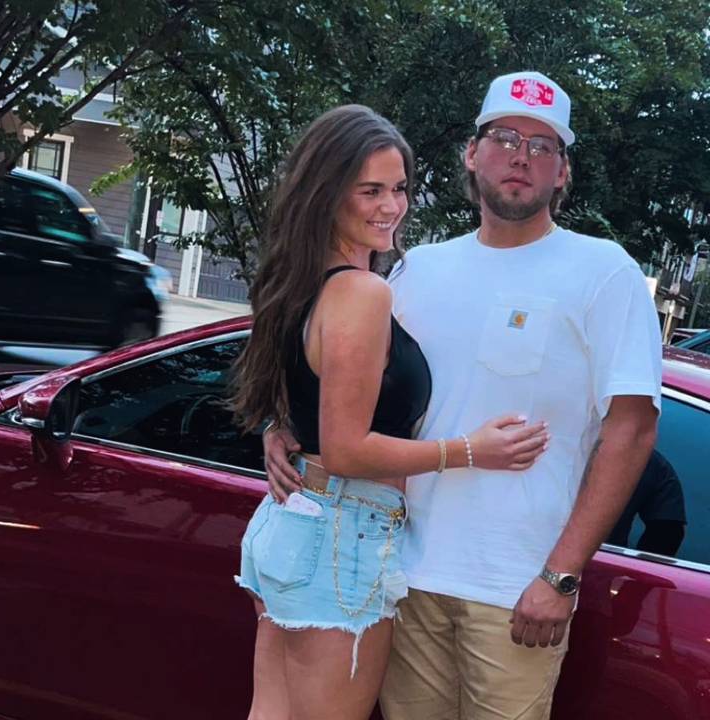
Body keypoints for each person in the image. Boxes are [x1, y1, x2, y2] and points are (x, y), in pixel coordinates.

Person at [264, 73, 662, 720]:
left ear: (563, 172)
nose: (521, 157)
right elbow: (345, 373)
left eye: (542, 146)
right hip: (400, 572)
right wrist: (282, 425)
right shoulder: (416, 269)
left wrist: (561, 575)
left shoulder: (604, 272)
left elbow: (633, 429)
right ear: (472, 154)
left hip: (515, 589)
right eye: (504, 138)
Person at [232, 104, 549, 720]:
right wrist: (469, 451)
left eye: (399, 188)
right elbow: (347, 449)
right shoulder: (362, 292)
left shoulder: (305, 281)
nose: (391, 206)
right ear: (328, 193)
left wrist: (278, 427)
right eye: (370, 190)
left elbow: (301, 393)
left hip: (293, 524)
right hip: (341, 532)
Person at [607, 448, 686, 557]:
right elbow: (669, 531)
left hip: (604, 555)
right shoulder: (651, 461)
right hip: (606, 557)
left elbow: (668, 530)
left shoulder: (651, 462)